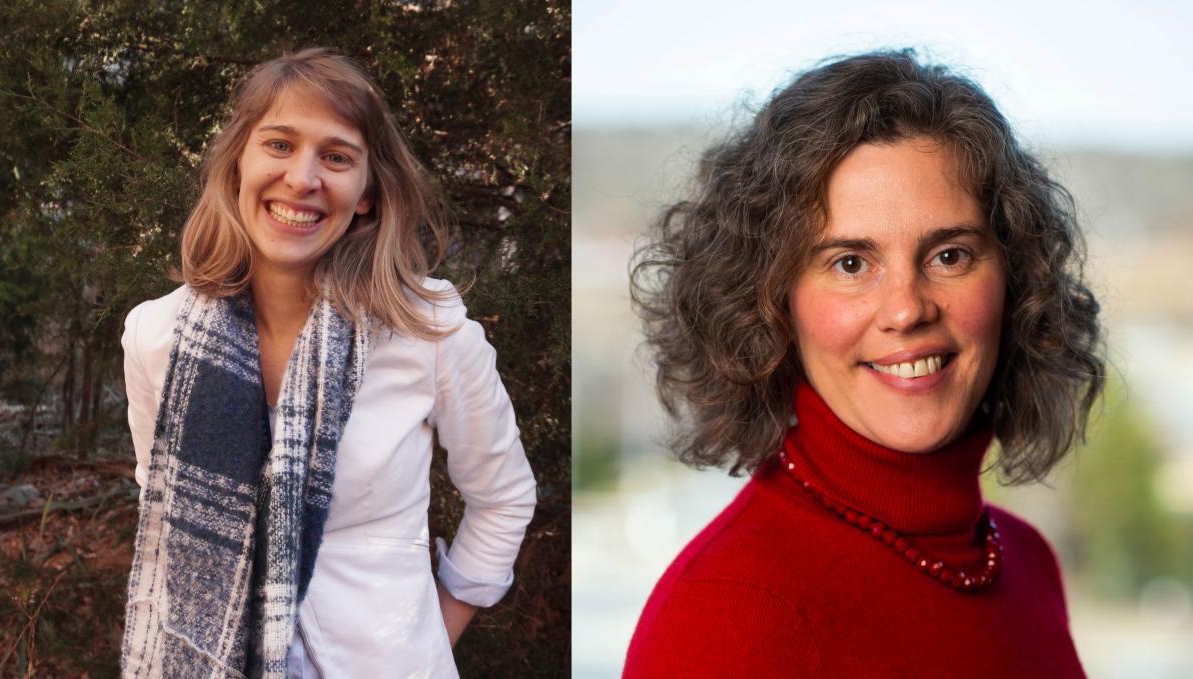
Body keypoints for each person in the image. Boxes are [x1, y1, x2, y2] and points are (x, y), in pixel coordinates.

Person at [624, 50, 1103, 677]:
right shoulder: (729, 618)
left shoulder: (1026, 561)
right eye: (851, 263)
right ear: (771, 302)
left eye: (950, 256)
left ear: (1015, 276)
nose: (906, 310)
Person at [119, 48, 536, 678]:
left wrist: (430, 639)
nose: (302, 178)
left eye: (336, 157)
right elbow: (162, 500)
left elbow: (504, 497)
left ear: (367, 192)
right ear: (238, 164)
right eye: (279, 145)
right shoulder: (158, 335)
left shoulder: (426, 330)